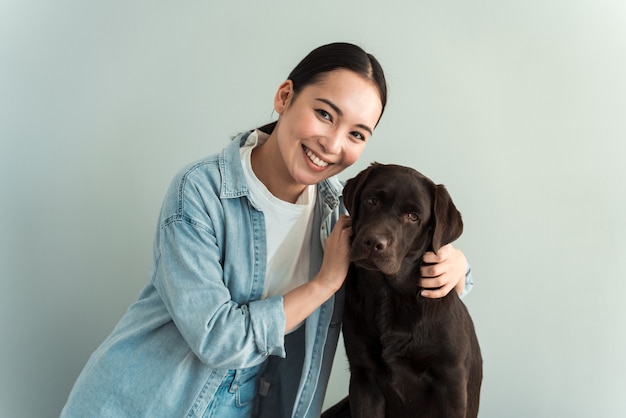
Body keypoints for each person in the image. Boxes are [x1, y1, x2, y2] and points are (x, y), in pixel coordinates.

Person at [60, 42, 473, 418]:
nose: (332, 143)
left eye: (356, 133)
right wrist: (323, 284)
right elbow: (220, 341)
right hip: (146, 403)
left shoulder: (338, 213)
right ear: (285, 97)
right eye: (324, 114)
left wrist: (457, 267)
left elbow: (401, 266)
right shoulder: (200, 193)